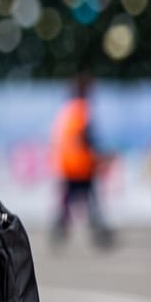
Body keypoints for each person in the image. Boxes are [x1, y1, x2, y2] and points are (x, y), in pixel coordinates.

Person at [50, 73, 115, 249]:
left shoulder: (67, 110)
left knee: (70, 201)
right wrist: (98, 155)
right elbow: (85, 136)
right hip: (81, 164)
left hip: (69, 163)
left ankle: (59, 229)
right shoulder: (82, 109)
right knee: (91, 200)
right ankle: (100, 232)